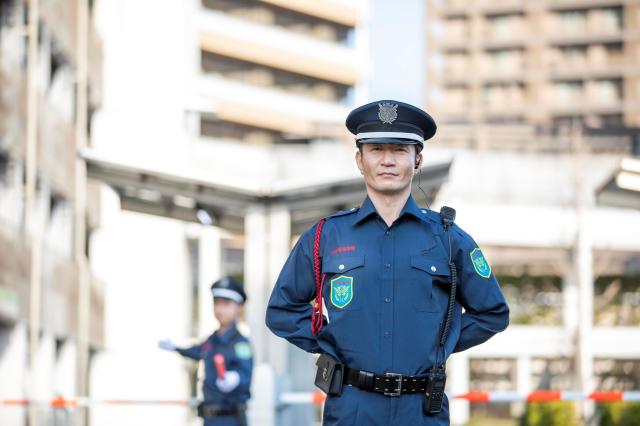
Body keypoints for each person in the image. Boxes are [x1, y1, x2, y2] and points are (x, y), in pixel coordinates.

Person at [265, 100, 509, 425]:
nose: (387, 160)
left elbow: (492, 313)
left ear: (418, 159)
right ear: (359, 160)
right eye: (376, 149)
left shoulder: (449, 239)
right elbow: (282, 310)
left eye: (399, 150)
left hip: (422, 410)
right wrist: (331, 342)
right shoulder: (326, 235)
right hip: (351, 407)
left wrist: (438, 343)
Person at [160, 277, 253, 426]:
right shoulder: (212, 339)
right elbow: (199, 351)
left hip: (230, 418)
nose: (219, 309)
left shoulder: (241, 343)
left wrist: (234, 377)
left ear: (240, 307)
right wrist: (176, 348)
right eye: (216, 303)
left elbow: (245, 373)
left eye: (226, 304)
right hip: (209, 418)